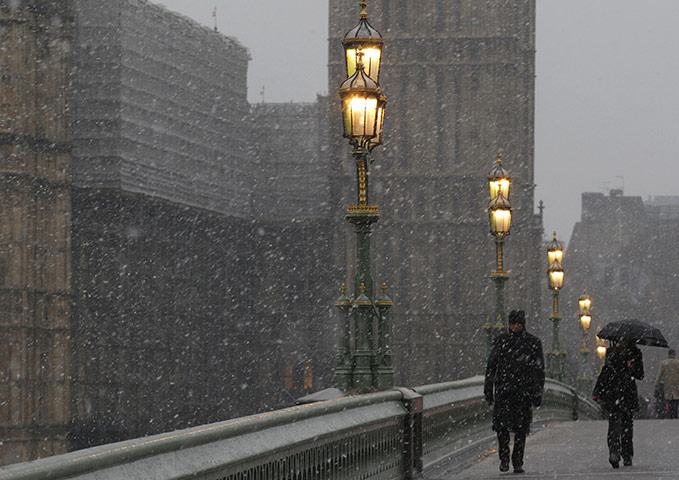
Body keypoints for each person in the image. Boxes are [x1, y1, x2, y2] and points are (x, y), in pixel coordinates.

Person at [484, 309, 545, 474]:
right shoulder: (501, 341)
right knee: (501, 428)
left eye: (518, 324)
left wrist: (537, 392)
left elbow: (539, 371)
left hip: (523, 392)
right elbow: (491, 367)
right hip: (504, 391)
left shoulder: (533, 342)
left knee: (521, 430)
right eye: (513, 324)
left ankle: (517, 461)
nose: (515, 327)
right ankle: (504, 457)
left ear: (523, 324)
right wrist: (488, 391)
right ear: (509, 325)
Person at [592, 338, 644, 468]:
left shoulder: (634, 353)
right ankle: (618, 453)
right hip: (618, 392)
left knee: (622, 425)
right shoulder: (612, 352)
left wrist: (631, 368)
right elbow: (606, 371)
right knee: (619, 425)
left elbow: (640, 374)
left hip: (622, 393)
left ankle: (622, 454)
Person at [654, 349, 679, 419]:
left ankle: (671, 413)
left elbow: (659, 374)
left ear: (668, 354)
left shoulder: (664, 363)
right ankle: (675, 413)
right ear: (674, 354)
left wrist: (656, 383)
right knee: (676, 399)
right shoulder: (678, 363)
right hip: (677, 384)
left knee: (669, 399)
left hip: (668, 384)